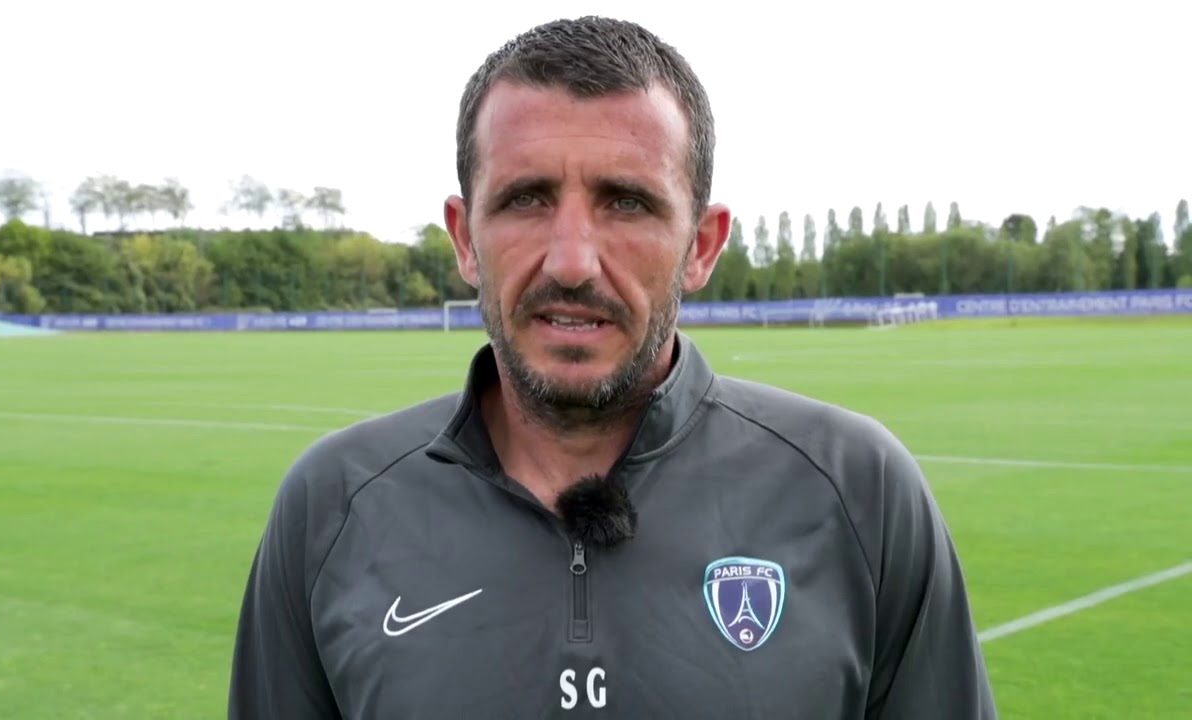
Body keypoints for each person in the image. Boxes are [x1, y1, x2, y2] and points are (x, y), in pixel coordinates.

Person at [228, 15, 997, 719]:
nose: (571, 261)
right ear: (465, 238)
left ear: (702, 244)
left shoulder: (859, 493)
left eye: (626, 203)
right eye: (526, 199)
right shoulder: (331, 506)